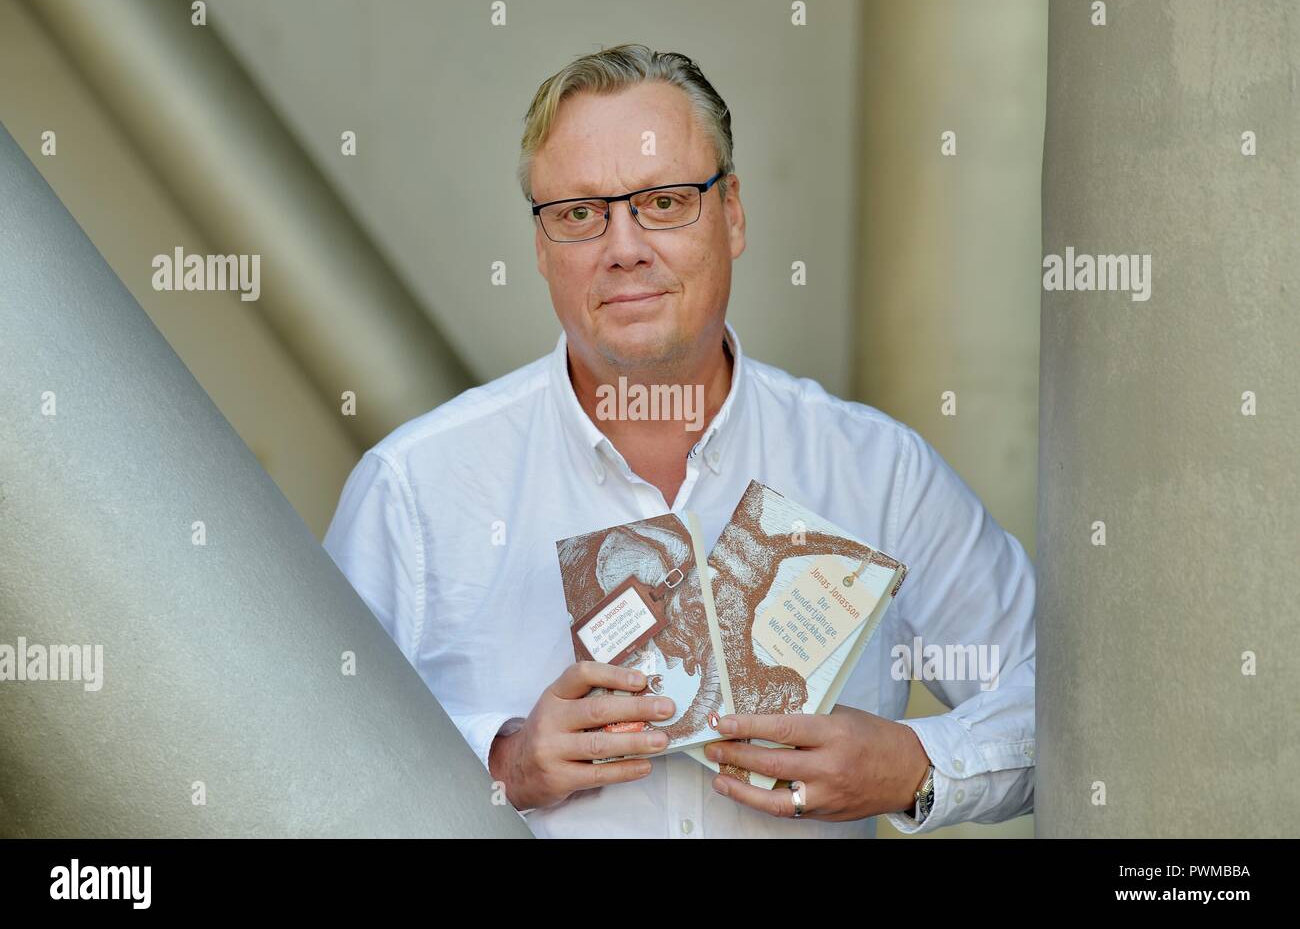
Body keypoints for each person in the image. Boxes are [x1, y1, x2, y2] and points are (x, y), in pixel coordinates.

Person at [323, 43, 1035, 838]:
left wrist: (914, 762)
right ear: (539, 245)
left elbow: (1062, 698)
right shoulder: (414, 490)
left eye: (663, 202)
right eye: (580, 214)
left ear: (732, 213)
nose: (623, 246)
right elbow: (302, 758)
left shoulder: (878, 474)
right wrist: (503, 765)